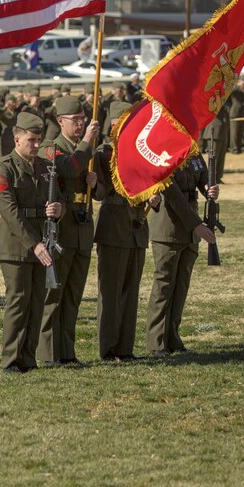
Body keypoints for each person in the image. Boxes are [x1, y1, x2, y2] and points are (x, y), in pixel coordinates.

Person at [0, 111, 64, 373]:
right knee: (18, 302)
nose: (36, 145)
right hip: (16, 246)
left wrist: (58, 209)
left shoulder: (44, 167)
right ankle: (11, 360)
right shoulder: (4, 167)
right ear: (17, 138)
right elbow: (10, 212)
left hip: (42, 242)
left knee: (36, 303)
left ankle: (28, 359)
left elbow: (59, 199)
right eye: (31, 140)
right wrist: (34, 243)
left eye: (39, 140)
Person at [38, 95, 99, 366]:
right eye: (75, 120)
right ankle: (48, 353)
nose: (80, 124)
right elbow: (69, 168)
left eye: (82, 119)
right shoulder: (52, 147)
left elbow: (91, 188)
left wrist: (93, 183)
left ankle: (67, 352)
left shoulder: (86, 149)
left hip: (82, 228)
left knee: (73, 295)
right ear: (60, 121)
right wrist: (86, 141)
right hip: (61, 230)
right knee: (54, 294)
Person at [92, 102, 149, 361]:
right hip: (114, 225)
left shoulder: (142, 151)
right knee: (111, 292)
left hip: (137, 226)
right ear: (114, 125)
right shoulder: (103, 154)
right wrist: (94, 183)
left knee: (131, 292)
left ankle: (125, 348)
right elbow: (100, 194)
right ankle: (108, 348)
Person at [146, 155, 219, 356]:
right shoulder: (163, 154)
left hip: (190, 231)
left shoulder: (193, 154)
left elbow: (203, 178)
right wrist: (196, 225)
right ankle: (157, 341)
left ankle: (173, 338)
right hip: (169, 227)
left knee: (181, 286)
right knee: (164, 285)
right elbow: (173, 194)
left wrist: (209, 189)